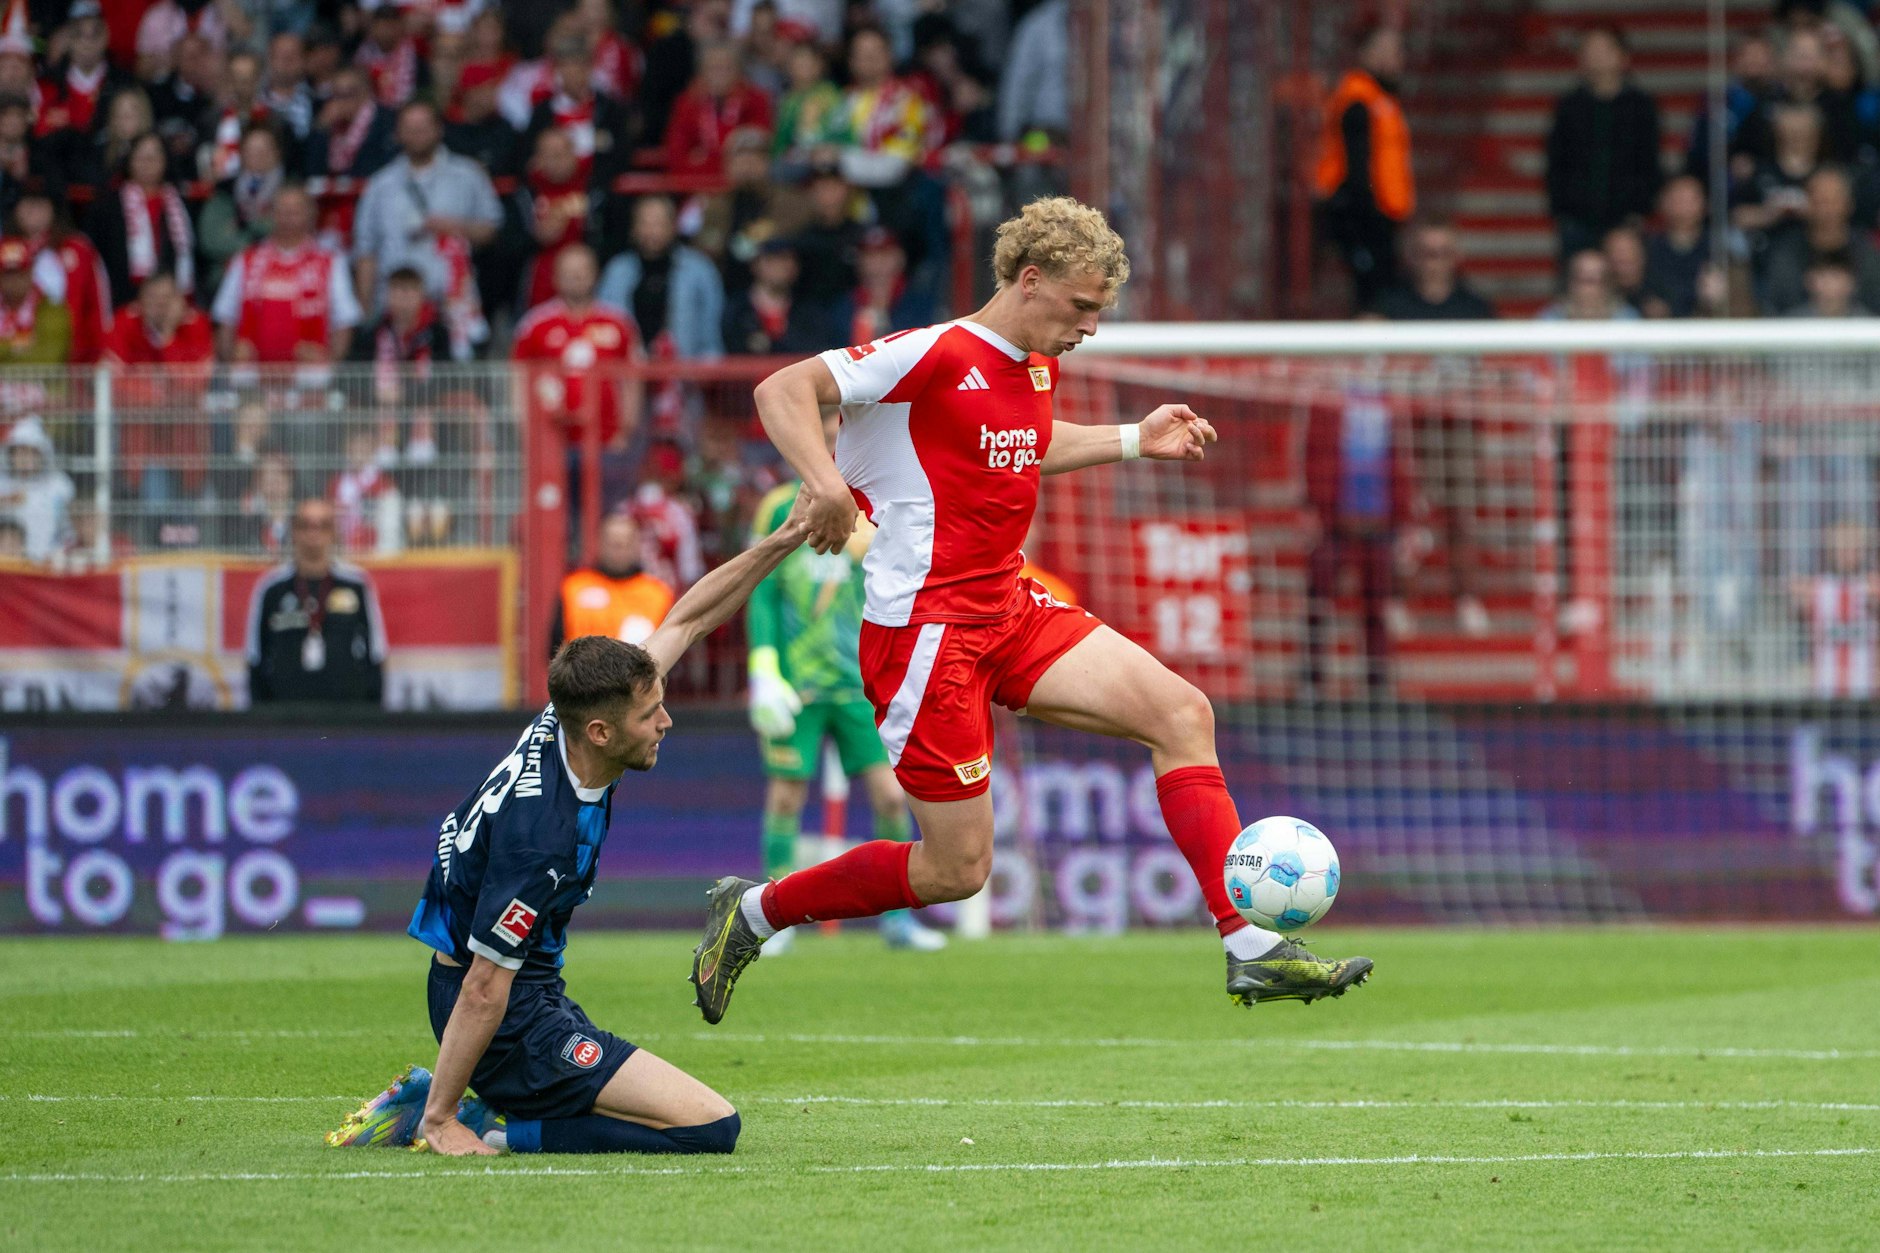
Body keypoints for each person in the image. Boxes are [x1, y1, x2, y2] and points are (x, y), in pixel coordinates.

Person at [686, 197, 1374, 1023]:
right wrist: (828, 484)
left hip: (1009, 607)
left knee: (1182, 712)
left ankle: (1248, 945)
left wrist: (1133, 438)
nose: (1091, 326)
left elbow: (1023, 444)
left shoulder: (1036, 366)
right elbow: (782, 387)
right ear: (1030, 279)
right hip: (925, 637)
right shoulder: (930, 352)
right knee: (956, 869)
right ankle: (755, 910)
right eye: (1082, 307)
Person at [326, 493, 812, 1157]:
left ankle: (470, 1103)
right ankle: (471, 1119)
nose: (666, 722)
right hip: (509, 1023)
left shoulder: (573, 712)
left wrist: (782, 539)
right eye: (651, 716)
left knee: (677, 1117)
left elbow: (690, 618)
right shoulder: (542, 838)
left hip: (530, 995)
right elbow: (483, 987)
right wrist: (443, 1119)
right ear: (603, 730)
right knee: (709, 1128)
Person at [744, 414, 947, 955]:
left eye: (837, 438)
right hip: (798, 685)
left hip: (863, 682)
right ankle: (771, 920)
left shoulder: (873, 506)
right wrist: (763, 666)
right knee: (787, 795)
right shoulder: (777, 506)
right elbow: (761, 589)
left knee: (889, 792)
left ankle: (899, 922)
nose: (831, 448)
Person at [352, 100, 501, 354]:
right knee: (393, 390)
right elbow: (366, 251)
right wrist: (366, 313)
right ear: (398, 134)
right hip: (395, 314)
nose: (417, 134)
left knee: (452, 388)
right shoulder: (380, 184)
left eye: (423, 127)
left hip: (452, 309)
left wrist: (457, 227)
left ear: (438, 129)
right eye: (409, 128)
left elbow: (492, 230)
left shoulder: (468, 175)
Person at [244, 497, 387, 705]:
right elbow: (255, 657)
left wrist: (371, 715)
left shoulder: (357, 585)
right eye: (306, 525)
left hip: (347, 716)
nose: (314, 533)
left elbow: (376, 654)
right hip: (284, 717)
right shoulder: (271, 588)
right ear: (294, 531)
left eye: (323, 525)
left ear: (334, 533)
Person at [1313, 26, 1414, 311]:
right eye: (1392, 51)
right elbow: (1357, 165)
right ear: (1368, 54)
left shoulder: (1379, 98)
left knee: (1380, 292)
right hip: (1364, 215)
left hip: (1380, 213)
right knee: (1372, 295)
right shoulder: (1359, 100)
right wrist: (1368, 219)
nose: (1399, 59)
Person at [1544, 27, 1662, 266]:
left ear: (1623, 56)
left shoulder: (1641, 107)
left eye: (1603, 49)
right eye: (1589, 50)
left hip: (1626, 218)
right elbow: (1557, 161)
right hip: (1577, 220)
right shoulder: (1569, 107)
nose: (1596, 56)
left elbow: (1649, 161)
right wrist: (1563, 206)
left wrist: (1639, 207)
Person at [211, 184, 361, 364]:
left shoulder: (330, 263)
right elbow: (225, 317)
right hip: (252, 379)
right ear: (270, 214)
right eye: (281, 211)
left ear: (310, 215)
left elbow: (344, 321)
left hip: (310, 380)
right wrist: (232, 366)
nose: (288, 219)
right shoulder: (245, 260)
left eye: (295, 212)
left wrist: (330, 367)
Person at [597, 195, 725, 360]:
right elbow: (604, 327)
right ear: (633, 229)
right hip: (628, 374)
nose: (652, 230)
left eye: (659, 223)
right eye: (645, 223)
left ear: (673, 226)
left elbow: (712, 335)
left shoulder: (700, 270)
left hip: (685, 375)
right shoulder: (617, 271)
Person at [87, 131, 195, 307]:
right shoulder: (109, 204)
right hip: (123, 298)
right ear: (129, 161)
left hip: (171, 298)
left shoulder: (179, 203)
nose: (148, 162)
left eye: (154, 156)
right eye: (141, 156)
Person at [549, 511, 675, 655]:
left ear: (637, 545)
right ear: (599, 542)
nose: (619, 551)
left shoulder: (658, 593)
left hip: (637, 676)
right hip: (582, 675)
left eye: (625, 543)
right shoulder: (574, 587)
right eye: (613, 543)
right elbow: (554, 648)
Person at [661, 41, 772, 178]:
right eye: (713, 68)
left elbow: (758, 157)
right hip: (699, 189)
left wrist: (706, 158)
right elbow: (677, 156)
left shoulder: (756, 99)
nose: (720, 75)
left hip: (742, 189)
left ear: (738, 71)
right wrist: (729, 153)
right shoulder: (688, 103)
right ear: (702, 72)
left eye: (726, 68)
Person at [303, 66, 397, 180]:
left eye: (348, 94)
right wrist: (321, 129)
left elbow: (379, 168)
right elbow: (313, 172)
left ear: (366, 93)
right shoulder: (326, 123)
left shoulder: (385, 122)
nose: (341, 102)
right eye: (336, 95)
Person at [0, 415, 72, 561]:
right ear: (11, 455)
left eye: (31, 452)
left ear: (42, 455)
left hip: (47, 563)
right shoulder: (2, 483)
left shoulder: (59, 485)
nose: (25, 458)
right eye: (20, 452)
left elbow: (68, 529)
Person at [0, 235, 71, 365]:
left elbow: (49, 358)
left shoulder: (52, 309)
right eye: (7, 273)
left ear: (31, 272)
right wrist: (16, 346)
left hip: (40, 385)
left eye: (19, 273)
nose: (13, 281)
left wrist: (5, 349)